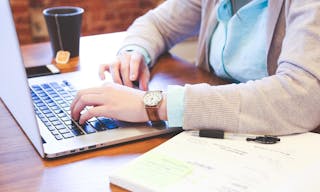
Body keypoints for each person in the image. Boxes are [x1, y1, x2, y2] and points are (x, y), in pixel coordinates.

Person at [70, 0, 320, 135]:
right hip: (221, 136)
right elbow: (157, 23)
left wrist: (153, 105)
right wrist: (134, 52)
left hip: (288, 147)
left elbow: (302, 96)